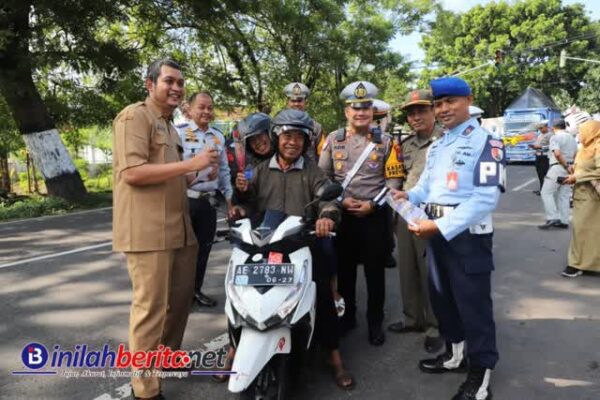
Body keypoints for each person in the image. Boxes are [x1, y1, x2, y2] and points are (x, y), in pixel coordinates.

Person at [392, 77, 505, 400]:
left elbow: (485, 199)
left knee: (474, 307)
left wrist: (439, 227)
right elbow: (426, 187)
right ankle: (455, 355)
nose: (443, 109)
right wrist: (407, 196)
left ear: (468, 100)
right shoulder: (439, 145)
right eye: (439, 104)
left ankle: (480, 376)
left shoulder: (488, 143)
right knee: (443, 300)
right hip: (436, 233)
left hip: (467, 236)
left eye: (450, 102)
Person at [112, 58, 219, 400]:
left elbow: (170, 176)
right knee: (151, 309)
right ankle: (144, 389)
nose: (176, 88)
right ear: (150, 84)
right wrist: (191, 163)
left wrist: (197, 173)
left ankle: (167, 359)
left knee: (180, 300)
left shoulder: (170, 127)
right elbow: (132, 172)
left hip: (178, 227)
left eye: (180, 83)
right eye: (168, 81)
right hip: (148, 231)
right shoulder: (134, 117)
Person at [230, 109, 355, 390]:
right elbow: (248, 202)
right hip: (264, 248)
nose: (292, 142)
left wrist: (327, 217)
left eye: (299, 137)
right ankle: (232, 350)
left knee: (323, 296)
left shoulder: (313, 171)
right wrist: (240, 202)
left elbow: (329, 200)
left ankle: (335, 358)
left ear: (306, 142)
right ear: (277, 137)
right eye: (287, 136)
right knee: (238, 292)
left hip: (302, 247)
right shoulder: (260, 170)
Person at [319, 81, 403, 346]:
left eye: (365, 108)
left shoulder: (387, 142)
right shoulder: (333, 140)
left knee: (375, 274)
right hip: (343, 216)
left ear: (372, 112)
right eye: (355, 109)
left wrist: (373, 205)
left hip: (374, 216)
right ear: (347, 112)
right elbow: (323, 177)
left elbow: (394, 182)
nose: (361, 114)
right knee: (345, 272)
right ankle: (348, 317)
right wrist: (342, 201)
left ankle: (375, 322)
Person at [387, 89, 444, 354]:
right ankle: (412, 318)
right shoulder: (405, 145)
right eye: (411, 113)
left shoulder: (445, 140)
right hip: (405, 211)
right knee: (407, 268)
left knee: (429, 271)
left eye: (421, 110)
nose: (416, 117)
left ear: (434, 111)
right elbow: (397, 177)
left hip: (431, 213)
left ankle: (435, 326)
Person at [176, 91, 234, 307]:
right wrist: (198, 174)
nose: (206, 111)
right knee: (181, 251)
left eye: (210, 107)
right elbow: (173, 168)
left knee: (204, 249)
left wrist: (229, 201)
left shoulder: (218, 136)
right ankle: (178, 295)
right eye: (201, 107)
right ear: (189, 109)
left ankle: (195, 291)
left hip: (208, 202)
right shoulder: (178, 133)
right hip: (185, 200)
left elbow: (224, 171)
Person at [561, 120, 600, 277]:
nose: (579, 134)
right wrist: (574, 171)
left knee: (583, 230)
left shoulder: (598, 146)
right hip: (582, 195)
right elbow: (583, 167)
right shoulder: (584, 148)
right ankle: (585, 263)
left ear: (591, 131)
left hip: (592, 196)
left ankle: (575, 264)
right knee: (585, 230)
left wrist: (577, 176)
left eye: (582, 131)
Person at [539, 119, 577, 230]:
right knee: (564, 195)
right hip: (570, 167)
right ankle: (564, 220)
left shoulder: (555, 137)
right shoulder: (572, 138)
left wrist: (565, 166)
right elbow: (576, 154)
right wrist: (571, 167)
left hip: (558, 167)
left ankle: (552, 217)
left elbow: (557, 153)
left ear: (553, 127)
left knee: (546, 192)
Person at [283, 82, 326, 161]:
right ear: (287, 103)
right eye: (293, 101)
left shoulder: (316, 128)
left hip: (309, 168)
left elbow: (323, 157)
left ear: (306, 103)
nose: (296, 104)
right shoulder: (279, 126)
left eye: (299, 101)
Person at [528, 123, 552, 195]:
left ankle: (545, 190)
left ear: (546, 127)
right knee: (540, 174)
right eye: (539, 128)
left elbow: (551, 146)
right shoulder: (540, 135)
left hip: (545, 156)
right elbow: (537, 144)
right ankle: (542, 189)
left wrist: (540, 147)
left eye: (541, 128)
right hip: (538, 156)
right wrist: (533, 146)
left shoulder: (550, 135)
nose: (540, 130)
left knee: (545, 174)